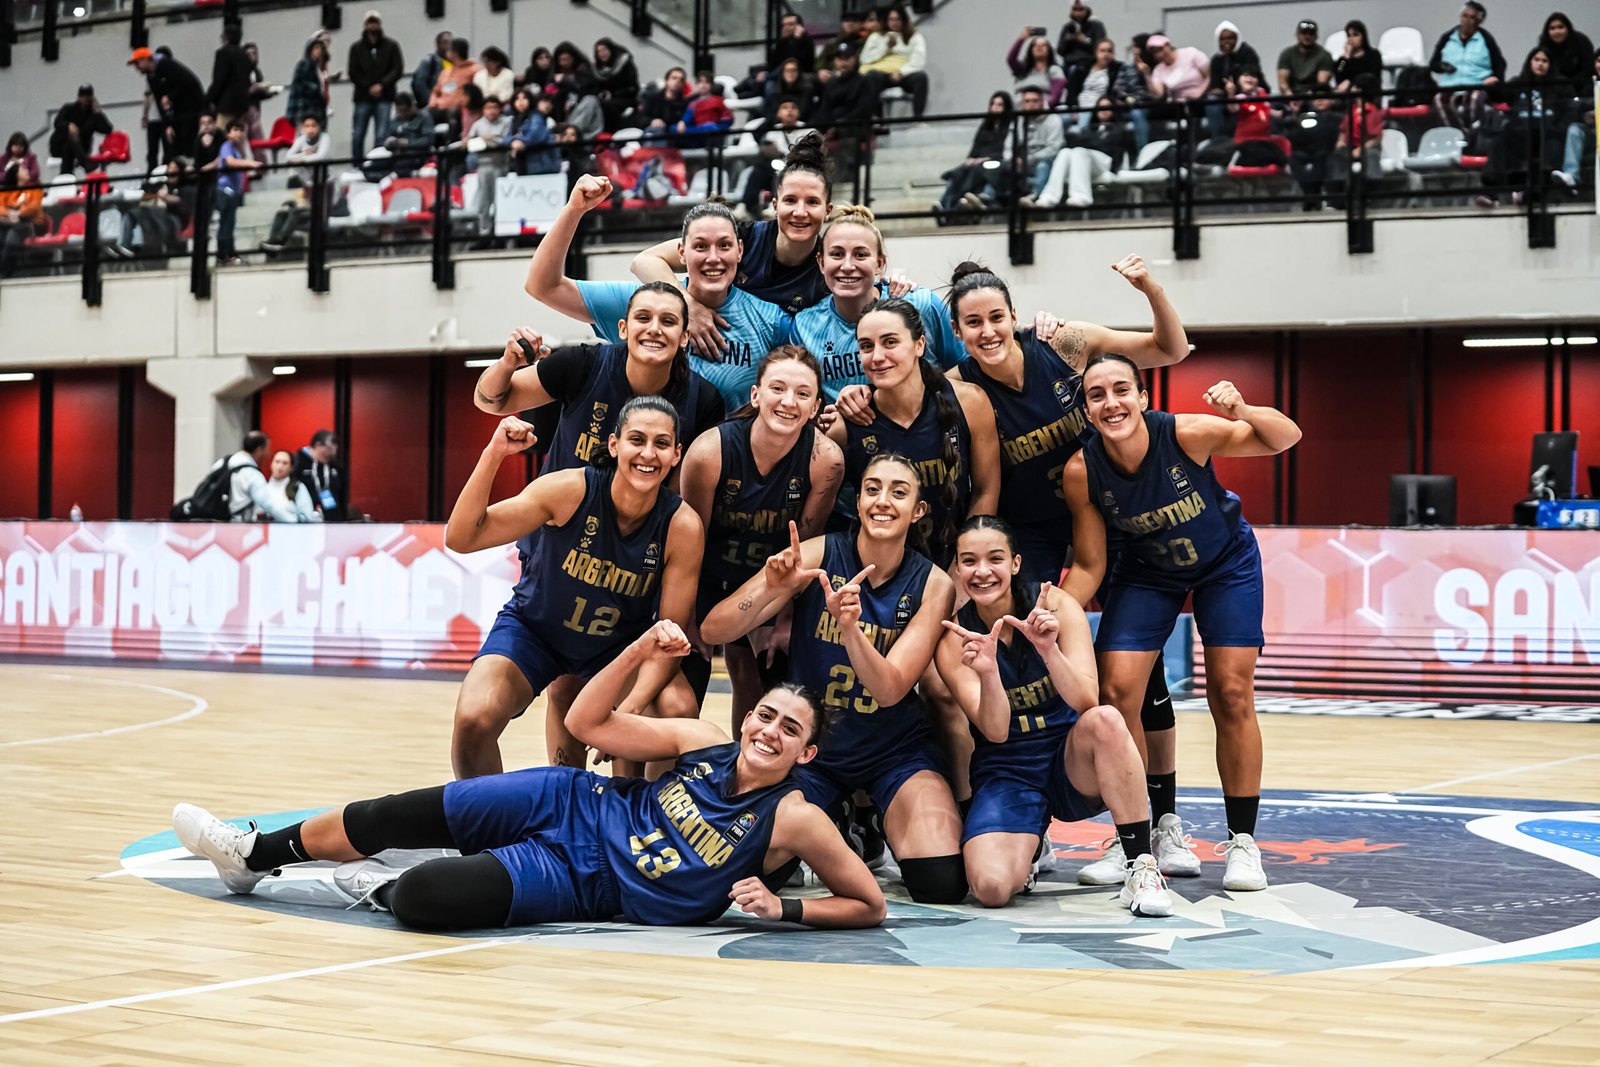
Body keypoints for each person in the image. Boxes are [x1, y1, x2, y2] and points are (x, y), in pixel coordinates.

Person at [172, 618, 887, 932]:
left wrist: (783, 907)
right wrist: (640, 647)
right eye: (764, 716)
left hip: (586, 881)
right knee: (392, 813)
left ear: (806, 755)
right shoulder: (704, 740)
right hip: (575, 797)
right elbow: (587, 725)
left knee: (423, 898)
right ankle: (254, 852)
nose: (768, 732)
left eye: (789, 730)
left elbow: (868, 904)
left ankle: (381, 879)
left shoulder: (795, 816)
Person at [1061, 357, 1301, 892]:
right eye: (1097, 395)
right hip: (1148, 573)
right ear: (1087, 409)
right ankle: (1139, 838)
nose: (1111, 403)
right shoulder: (1083, 470)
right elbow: (1091, 565)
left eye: (1122, 389)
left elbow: (1284, 437)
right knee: (1117, 691)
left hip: (1225, 564)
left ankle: (1243, 842)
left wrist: (1243, 409)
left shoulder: (1188, 433)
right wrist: (1054, 609)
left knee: (1232, 691)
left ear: (1143, 397)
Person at [702, 453, 967, 905]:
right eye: (872, 489)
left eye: (898, 492)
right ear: (859, 500)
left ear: (918, 511)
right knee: (752, 871)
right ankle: (840, 811)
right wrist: (769, 586)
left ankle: (876, 814)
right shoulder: (819, 553)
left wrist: (850, 630)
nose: (883, 501)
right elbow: (713, 630)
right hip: (811, 754)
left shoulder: (934, 584)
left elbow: (889, 689)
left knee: (940, 883)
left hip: (893, 749)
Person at [445, 397, 704, 779]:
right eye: (637, 439)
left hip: (618, 647)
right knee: (474, 717)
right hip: (535, 632)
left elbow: (669, 640)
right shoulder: (568, 490)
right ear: (615, 445)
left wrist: (626, 713)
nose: (648, 453)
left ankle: (645, 823)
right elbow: (463, 537)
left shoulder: (682, 526)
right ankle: (488, 826)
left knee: (677, 709)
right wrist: (495, 452)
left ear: (676, 455)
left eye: (661, 443)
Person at [936, 516, 1170, 914]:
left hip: (1069, 759)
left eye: (995, 558)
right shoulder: (954, 639)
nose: (982, 572)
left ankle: (1141, 864)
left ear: (1015, 563)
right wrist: (989, 672)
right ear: (957, 569)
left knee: (1107, 720)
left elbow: (1086, 700)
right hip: (1008, 768)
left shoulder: (1056, 605)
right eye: (969, 561)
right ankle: (1029, 849)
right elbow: (994, 731)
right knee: (990, 889)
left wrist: (1048, 650)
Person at [680, 347, 844, 722]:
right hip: (705, 575)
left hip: (769, 581)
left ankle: (753, 769)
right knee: (683, 687)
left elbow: (803, 548)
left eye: (803, 394)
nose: (789, 402)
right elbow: (688, 542)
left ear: (816, 406)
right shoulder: (710, 452)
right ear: (756, 395)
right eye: (778, 388)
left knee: (762, 680)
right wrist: (686, 614)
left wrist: (787, 617)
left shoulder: (825, 459)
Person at [530, 177, 785, 412]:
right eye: (700, 246)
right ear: (682, 252)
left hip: (729, 459)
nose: (713, 258)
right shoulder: (644, 306)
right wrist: (573, 211)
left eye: (724, 245)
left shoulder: (769, 319)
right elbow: (544, 286)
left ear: (740, 250)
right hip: (648, 457)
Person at [828, 297, 1000, 568]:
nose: (877, 356)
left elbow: (985, 491)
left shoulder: (970, 403)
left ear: (919, 344)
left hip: (955, 565)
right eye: (866, 346)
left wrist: (964, 566)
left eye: (890, 342)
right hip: (878, 573)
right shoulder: (847, 423)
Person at [632, 132, 834, 349]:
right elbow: (645, 261)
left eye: (812, 202)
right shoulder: (741, 237)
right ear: (775, 206)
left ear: (828, 210)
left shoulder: (830, 264)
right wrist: (687, 305)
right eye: (790, 200)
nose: (800, 212)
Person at [791, 204, 963, 401]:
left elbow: (966, 369)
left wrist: (929, 398)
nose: (847, 266)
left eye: (861, 255)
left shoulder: (922, 304)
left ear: (880, 263)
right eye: (837, 254)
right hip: (848, 431)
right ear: (821, 262)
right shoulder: (803, 326)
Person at [1026, 97, 1133, 208]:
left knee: (1079, 151)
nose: (1104, 110)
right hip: (1085, 160)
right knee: (1065, 152)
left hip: (1105, 162)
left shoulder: (1120, 129)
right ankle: (1049, 196)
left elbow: (1118, 151)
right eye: (1101, 108)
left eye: (1108, 107)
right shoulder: (1089, 129)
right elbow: (1078, 143)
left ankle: (1081, 196)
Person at [811, 40, 878, 193]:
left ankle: (846, 178)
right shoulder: (831, 83)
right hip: (834, 126)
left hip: (856, 126)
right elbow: (824, 109)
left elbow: (864, 109)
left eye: (847, 58)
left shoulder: (864, 81)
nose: (843, 62)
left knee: (846, 135)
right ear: (835, 61)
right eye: (840, 58)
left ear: (854, 60)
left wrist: (839, 125)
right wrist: (824, 127)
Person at [1429, 2, 1507, 129]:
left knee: (1474, 100)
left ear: (1479, 22)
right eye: (1464, 16)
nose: (1467, 20)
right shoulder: (1447, 37)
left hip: (1476, 84)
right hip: (1450, 86)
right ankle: (1459, 133)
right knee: (1439, 100)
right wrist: (1443, 67)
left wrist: (1496, 78)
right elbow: (1433, 64)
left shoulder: (1486, 39)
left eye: (1472, 18)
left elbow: (1499, 63)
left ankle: (1473, 134)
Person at [936, 91, 1014, 215]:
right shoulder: (985, 126)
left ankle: (985, 198)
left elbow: (1006, 150)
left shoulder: (1011, 126)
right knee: (958, 173)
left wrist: (985, 159)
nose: (995, 107)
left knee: (989, 169)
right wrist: (971, 159)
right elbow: (976, 147)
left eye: (1000, 105)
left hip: (996, 160)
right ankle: (945, 206)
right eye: (993, 104)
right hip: (978, 161)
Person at [130, 45, 206, 164]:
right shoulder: (151, 77)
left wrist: (170, 96)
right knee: (174, 147)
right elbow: (160, 102)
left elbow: (187, 82)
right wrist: (167, 125)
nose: (137, 67)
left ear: (146, 59)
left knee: (188, 142)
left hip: (191, 109)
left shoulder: (166, 65)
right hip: (177, 113)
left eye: (137, 63)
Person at [203, 431, 301, 522]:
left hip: (213, 524)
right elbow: (268, 504)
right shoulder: (253, 474)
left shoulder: (222, 463)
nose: (268, 454)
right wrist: (293, 522)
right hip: (238, 528)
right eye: (267, 449)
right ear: (259, 450)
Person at [347, 10, 405, 159]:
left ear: (379, 24)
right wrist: (368, 87)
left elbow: (397, 69)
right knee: (358, 134)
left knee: (382, 134)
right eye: (370, 22)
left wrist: (382, 85)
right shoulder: (356, 48)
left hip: (385, 96)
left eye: (375, 22)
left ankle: (378, 164)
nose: (373, 26)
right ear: (365, 25)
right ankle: (357, 164)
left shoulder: (392, 46)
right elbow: (353, 72)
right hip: (362, 97)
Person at [860, 6, 929, 118]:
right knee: (870, 77)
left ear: (904, 20)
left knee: (921, 77)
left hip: (904, 74)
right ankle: (877, 120)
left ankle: (918, 118)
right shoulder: (876, 37)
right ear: (886, 21)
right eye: (891, 19)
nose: (894, 23)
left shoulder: (915, 37)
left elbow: (918, 61)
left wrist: (901, 72)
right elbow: (865, 59)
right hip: (882, 74)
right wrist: (885, 47)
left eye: (898, 19)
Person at [213, 119, 261, 266]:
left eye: (241, 130)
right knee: (226, 222)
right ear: (228, 133)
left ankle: (231, 253)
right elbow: (229, 162)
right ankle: (224, 255)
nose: (239, 133)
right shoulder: (226, 146)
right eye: (235, 130)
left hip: (233, 191)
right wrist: (250, 163)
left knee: (230, 222)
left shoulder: (237, 150)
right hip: (225, 190)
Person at [1550, 47, 1599, 191]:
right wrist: (1588, 115)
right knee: (1575, 129)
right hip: (1593, 134)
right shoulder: (1588, 86)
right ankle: (1571, 176)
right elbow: (1578, 109)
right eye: (1598, 61)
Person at [466, 95, 512, 244]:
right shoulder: (478, 125)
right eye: (488, 108)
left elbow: (507, 141)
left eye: (494, 107)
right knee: (484, 200)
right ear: (483, 110)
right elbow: (469, 142)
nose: (491, 111)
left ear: (499, 109)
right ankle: (484, 233)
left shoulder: (507, 122)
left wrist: (490, 140)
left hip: (501, 164)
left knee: (501, 200)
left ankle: (500, 234)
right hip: (484, 166)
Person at [0, 136, 45, 278]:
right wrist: (9, 212)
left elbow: (33, 208)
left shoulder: (35, 189)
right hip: (9, 223)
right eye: (23, 170)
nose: (26, 171)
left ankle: (6, 274)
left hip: (29, 224)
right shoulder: (10, 191)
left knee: (11, 238)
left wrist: (17, 214)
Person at [49, 84, 114, 175]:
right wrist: (68, 125)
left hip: (80, 148)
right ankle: (85, 164)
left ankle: (66, 177)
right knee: (69, 141)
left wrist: (98, 112)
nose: (85, 99)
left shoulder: (93, 115)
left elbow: (108, 129)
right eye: (83, 96)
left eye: (88, 97)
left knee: (69, 148)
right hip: (59, 144)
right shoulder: (68, 108)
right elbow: (57, 123)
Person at [368, 91, 432, 181]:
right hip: (396, 152)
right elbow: (387, 135)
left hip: (416, 153)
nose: (402, 114)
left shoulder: (424, 118)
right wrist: (389, 142)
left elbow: (428, 140)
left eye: (405, 111)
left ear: (411, 107)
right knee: (374, 166)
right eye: (400, 111)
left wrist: (408, 143)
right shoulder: (395, 120)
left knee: (401, 167)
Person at [1017, 87, 1065, 200]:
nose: (1031, 105)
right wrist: (1011, 159)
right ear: (1022, 103)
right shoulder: (1018, 121)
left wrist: (1029, 159)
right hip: (1023, 162)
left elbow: (1054, 149)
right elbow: (1009, 145)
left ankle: (1035, 196)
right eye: (1027, 101)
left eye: (1035, 101)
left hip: (1047, 161)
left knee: (1042, 166)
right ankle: (988, 198)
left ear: (1042, 102)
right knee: (1003, 164)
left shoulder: (1053, 119)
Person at [1066, 39, 1124, 131]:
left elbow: (1113, 94)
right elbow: (1072, 90)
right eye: (1102, 51)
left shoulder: (1117, 69)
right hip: (1078, 105)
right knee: (1061, 117)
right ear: (1096, 53)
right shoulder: (1083, 67)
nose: (1106, 54)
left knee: (1085, 115)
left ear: (1113, 54)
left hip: (1098, 107)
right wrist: (1074, 108)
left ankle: (1082, 141)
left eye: (1109, 51)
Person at [207, 21, 253, 131]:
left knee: (221, 135)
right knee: (238, 134)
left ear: (225, 37)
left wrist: (209, 99)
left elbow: (219, 80)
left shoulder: (222, 54)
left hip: (227, 105)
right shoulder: (244, 56)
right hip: (242, 105)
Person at [430, 38, 482, 132]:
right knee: (424, 114)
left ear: (455, 53)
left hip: (458, 108)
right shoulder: (446, 71)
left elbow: (476, 93)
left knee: (453, 114)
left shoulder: (474, 69)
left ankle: (451, 143)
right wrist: (433, 102)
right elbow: (436, 91)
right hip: (441, 106)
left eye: (449, 49)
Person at [1276, 19, 1335, 101]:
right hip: (1290, 96)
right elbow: (1283, 83)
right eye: (1304, 33)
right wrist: (1291, 98)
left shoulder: (1324, 55)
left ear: (1316, 36)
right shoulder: (1287, 54)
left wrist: (1303, 100)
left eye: (1311, 33)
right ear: (1297, 35)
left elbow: (1321, 84)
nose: (1307, 36)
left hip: (1314, 97)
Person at [293, 429, 344, 520]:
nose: (334, 453)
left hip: (333, 519)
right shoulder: (297, 461)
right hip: (305, 519)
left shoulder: (335, 466)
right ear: (317, 445)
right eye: (330, 448)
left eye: (335, 448)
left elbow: (342, 495)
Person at [1146, 34, 1210, 104]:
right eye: (1155, 52)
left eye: (1161, 49)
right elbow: (1158, 94)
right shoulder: (1158, 70)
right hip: (1178, 106)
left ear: (1169, 45)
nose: (1159, 55)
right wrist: (1146, 74)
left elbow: (1210, 75)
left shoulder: (1190, 53)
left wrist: (1200, 92)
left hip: (1203, 99)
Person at [591, 38, 640, 129]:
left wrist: (613, 94)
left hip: (625, 98)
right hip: (605, 99)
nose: (602, 54)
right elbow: (596, 87)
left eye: (604, 50)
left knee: (608, 107)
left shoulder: (625, 63)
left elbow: (633, 87)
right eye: (599, 51)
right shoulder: (597, 69)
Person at [261, 450, 320, 522]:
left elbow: (307, 517)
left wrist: (288, 519)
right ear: (271, 464)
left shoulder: (298, 487)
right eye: (277, 461)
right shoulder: (263, 488)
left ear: (291, 468)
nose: (280, 466)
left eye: (285, 463)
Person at [509, 91, 559, 176]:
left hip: (540, 163)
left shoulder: (537, 116)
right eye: (518, 99)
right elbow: (506, 138)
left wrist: (521, 142)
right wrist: (513, 142)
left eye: (524, 98)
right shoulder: (515, 120)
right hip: (523, 163)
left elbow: (537, 134)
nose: (521, 102)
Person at [1008, 32, 1065, 103]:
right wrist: (1022, 38)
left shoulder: (1054, 70)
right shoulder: (1023, 69)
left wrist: (1042, 108)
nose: (1039, 47)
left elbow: (1056, 94)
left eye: (1043, 45)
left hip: (1043, 109)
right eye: (1035, 45)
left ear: (1049, 50)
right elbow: (1011, 59)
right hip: (1019, 108)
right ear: (1031, 50)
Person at [285, 37, 330, 127]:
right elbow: (302, 83)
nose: (319, 51)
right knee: (304, 136)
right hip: (304, 107)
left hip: (311, 107)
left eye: (320, 49)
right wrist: (317, 90)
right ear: (310, 49)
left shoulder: (316, 66)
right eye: (316, 48)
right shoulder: (305, 63)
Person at [1540, 13, 1595, 83]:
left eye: (1560, 27)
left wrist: (1569, 85)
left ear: (1568, 28)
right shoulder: (1544, 45)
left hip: (1582, 85)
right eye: (1552, 28)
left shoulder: (1581, 41)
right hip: (1554, 86)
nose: (1557, 32)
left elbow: (1588, 68)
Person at [1332, 21, 1383, 94]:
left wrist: (1351, 81)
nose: (1352, 39)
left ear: (1363, 36)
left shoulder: (1373, 54)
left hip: (1368, 93)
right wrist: (1346, 57)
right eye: (1349, 35)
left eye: (1355, 35)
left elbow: (1373, 75)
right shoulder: (1343, 60)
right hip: (1348, 94)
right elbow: (1339, 74)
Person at [1057, 2, 1108, 73]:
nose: (1077, 13)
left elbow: (1100, 48)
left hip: (1089, 64)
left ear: (1087, 10)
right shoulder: (1067, 27)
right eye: (1075, 9)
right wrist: (1068, 40)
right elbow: (1060, 50)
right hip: (1068, 64)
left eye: (1081, 9)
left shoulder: (1096, 25)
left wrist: (1085, 40)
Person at [413, 30, 454, 106]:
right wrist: (430, 101)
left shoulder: (455, 62)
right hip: (436, 105)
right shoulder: (429, 61)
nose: (448, 46)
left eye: (451, 43)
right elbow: (419, 83)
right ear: (438, 44)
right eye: (445, 43)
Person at [770, 11, 815, 75]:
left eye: (790, 24)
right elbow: (774, 62)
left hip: (799, 75)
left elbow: (797, 62)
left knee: (769, 82)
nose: (786, 27)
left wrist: (796, 40)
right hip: (780, 74)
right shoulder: (783, 40)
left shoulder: (806, 41)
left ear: (799, 27)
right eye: (784, 25)